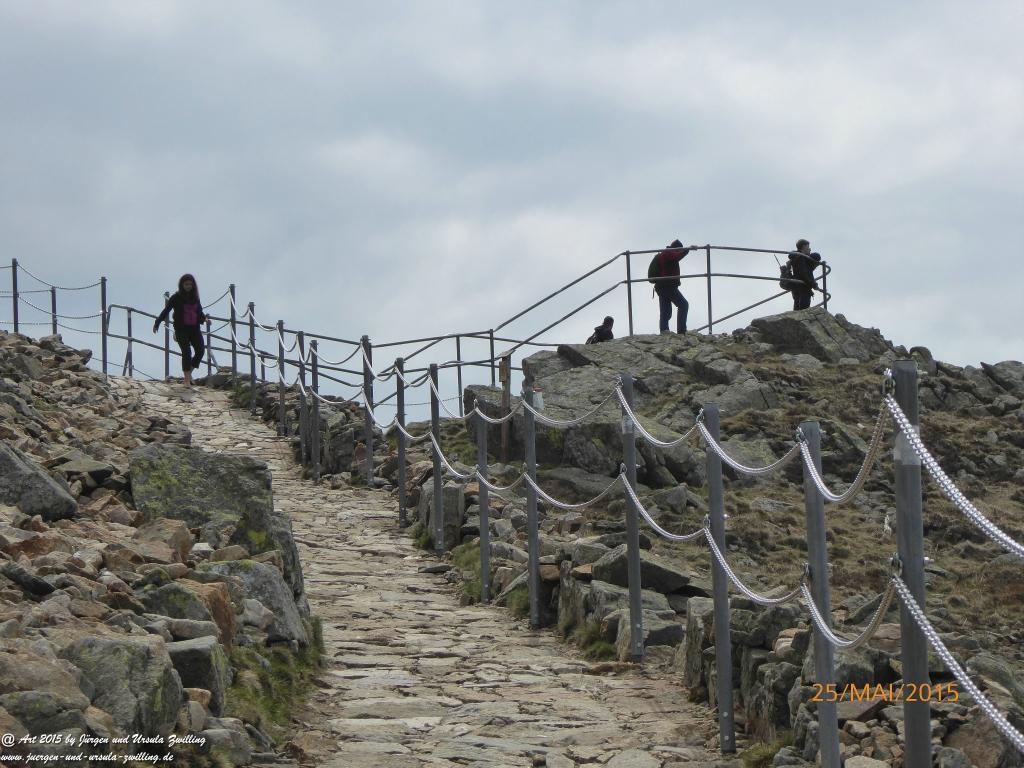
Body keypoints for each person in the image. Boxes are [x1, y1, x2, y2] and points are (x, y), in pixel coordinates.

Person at [153, 273, 209, 386]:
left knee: (200, 351)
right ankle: (187, 380)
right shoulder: (176, 297)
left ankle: (189, 373)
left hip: (194, 328)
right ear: (182, 285)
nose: (188, 286)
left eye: (190, 284)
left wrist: (205, 319)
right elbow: (166, 311)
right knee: (187, 352)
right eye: (186, 284)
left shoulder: (195, 297)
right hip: (181, 329)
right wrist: (157, 323)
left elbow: (199, 312)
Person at [653, 239, 693, 334]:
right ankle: (681, 330)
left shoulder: (666, 253)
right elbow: (677, 257)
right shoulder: (668, 253)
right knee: (683, 305)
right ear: (677, 248)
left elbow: (676, 257)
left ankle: (664, 331)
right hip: (668, 285)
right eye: (679, 249)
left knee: (666, 312)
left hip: (662, 286)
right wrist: (687, 250)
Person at [788, 239, 822, 310]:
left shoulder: (797, 257)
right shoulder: (800, 257)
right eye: (808, 247)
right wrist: (814, 285)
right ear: (803, 247)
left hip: (798, 285)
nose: (809, 249)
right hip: (803, 286)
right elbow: (805, 273)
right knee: (803, 308)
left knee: (797, 307)